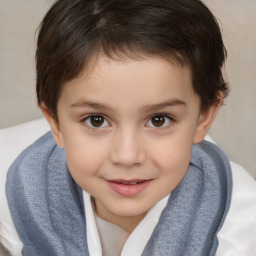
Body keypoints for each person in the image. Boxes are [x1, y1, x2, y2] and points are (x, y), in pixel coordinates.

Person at [4, 0, 256, 255]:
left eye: (159, 120)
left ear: (204, 117)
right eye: (96, 120)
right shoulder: (12, 189)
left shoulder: (239, 222)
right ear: (55, 123)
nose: (127, 156)